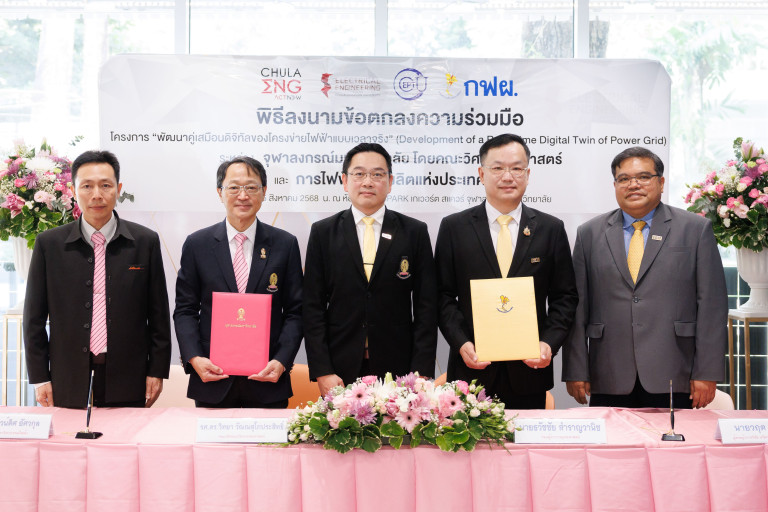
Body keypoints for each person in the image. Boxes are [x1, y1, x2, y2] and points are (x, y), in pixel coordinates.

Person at [562, 147, 727, 409]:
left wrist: (707, 371)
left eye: (643, 177)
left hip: (676, 371)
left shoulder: (695, 230)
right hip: (609, 372)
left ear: (661, 182)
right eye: (624, 179)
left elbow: (712, 306)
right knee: (612, 437)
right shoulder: (589, 234)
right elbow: (578, 306)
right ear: (614, 185)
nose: (633, 185)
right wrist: (576, 369)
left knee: (673, 437)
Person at [435, 133, 578, 409]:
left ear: (528, 174)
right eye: (498, 168)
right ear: (481, 174)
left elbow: (565, 297)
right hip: (471, 371)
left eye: (516, 168)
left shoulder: (550, 229)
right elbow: (442, 296)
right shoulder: (454, 227)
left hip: (529, 371)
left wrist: (548, 343)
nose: (508, 176)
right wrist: (461, 343)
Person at [24, 150, 171, 409]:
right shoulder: (49, 244)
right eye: (87, 186)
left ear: (118, 189)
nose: (96, 195)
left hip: (130, 374)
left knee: (125, 435)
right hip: (66, 375)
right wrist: (39, 377)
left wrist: (157, 370)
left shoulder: (145, 241)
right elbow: (34, 318)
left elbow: (158, 314)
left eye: (105, 185)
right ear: (73, 190)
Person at [304, 143, 437, 397]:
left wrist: (420, 371)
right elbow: (312, 307)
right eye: (359, 174)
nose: (368, 182)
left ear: (390, 182)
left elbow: (426, 308)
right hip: (339, 368)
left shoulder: (414, 232)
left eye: (377, 174)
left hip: (399, 369)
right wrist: (322, 370)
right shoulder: (323, 232)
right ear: (345, 181)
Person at [174, 156, 302, 408]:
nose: (243, 195)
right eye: (234, 187)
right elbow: (185, 310)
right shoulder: (197, 244)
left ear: (264, 192)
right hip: (212, 379)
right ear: (220, 192)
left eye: (251, 187)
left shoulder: (285, 244)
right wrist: (195, 358)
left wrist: (281, 361)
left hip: (268, 380)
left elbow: (296, 311)